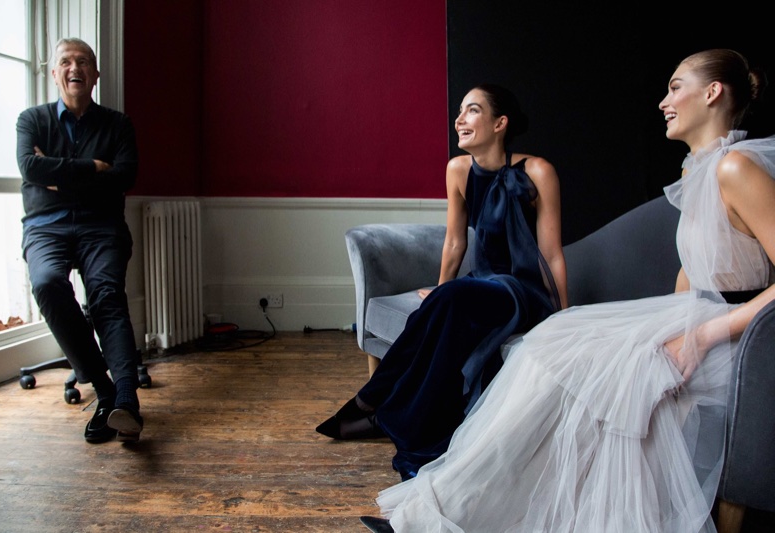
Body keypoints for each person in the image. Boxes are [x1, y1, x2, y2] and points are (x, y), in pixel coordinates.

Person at [359, 49, 775, 533]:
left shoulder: (736, 169)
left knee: (609, 377)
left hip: (742, 338)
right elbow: (696, 271)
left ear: (712, 92)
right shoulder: (695, 170)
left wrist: (698, 337)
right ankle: (460, 510)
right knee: (544, 352)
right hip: (695, 315)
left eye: (675, 87)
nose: (664, 101)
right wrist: (663, 323)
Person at [317, 84, 568, 481]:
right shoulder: (457, 169)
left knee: (454, 298)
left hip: (521, 291)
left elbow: (551, 253)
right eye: (460, 111)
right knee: (447, 303)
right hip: (479, 284)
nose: (459, 119)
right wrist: (440, 288)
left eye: (472, 111)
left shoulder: (538, 171)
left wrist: (562, 317)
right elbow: (455, 241)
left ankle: (374, 401)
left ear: (500, 123)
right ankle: (393, 411)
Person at [16, 37, 143, 444]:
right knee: (47, 283)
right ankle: (106, 392)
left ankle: (127, 401)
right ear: (54, 73)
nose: (75, 69)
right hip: (45, 226)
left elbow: (123, 177)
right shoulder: (31, 120)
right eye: (66, 62)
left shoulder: (117, 124)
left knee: (106, 294)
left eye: (84, 62)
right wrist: (91, 168)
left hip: (100, 225)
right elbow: (29, 168)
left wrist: (60, 178)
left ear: (96, 74)